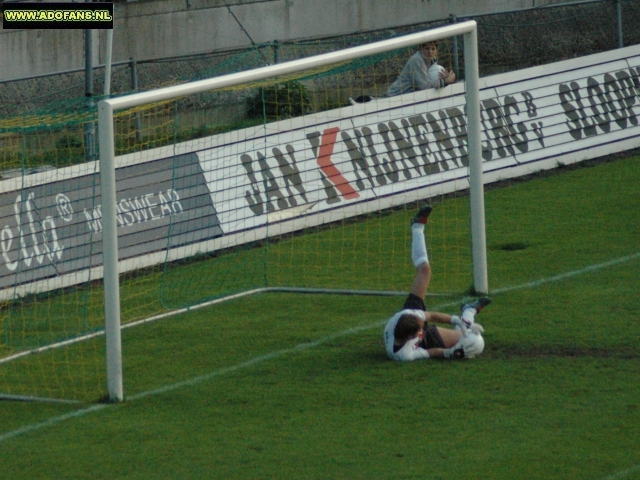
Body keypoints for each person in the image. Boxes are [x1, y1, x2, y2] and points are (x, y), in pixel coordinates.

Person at [384, 204, 490, 361]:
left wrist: (457, 320)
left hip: (409, 325)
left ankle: (417, 226)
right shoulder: (403, 354)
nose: (423, 328)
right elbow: (429, 352)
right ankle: (469, 311)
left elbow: (432, 315)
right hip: (426, 342)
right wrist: (449, 353)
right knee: (472, 340)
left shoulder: (408, 315)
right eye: (420, 329)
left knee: (424, 270)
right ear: (411, 337)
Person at [387, 41, 456, 97]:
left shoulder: (431, 59)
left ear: (436, 50)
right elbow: (424, 86)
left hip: (411, 95)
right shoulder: (416, 60)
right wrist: (445, 81)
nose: (430, 52)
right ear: (421, 49)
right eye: (427, 48)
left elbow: (432, 80)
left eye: (433, 49)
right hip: (396, 95)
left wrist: (446, 76)